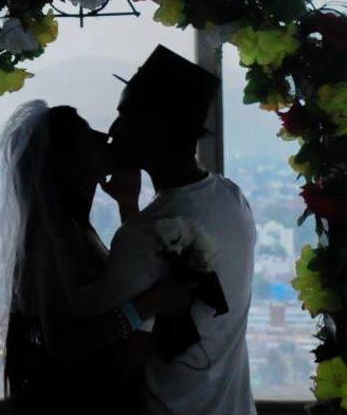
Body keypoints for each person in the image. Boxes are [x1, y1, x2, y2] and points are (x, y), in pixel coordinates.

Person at [0, 100, 200, 415]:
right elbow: (65, 342)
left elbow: (122, 282)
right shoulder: (53, 240)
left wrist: (128, 205)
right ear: (67, 163)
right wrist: (151, 304)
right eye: (86, 134)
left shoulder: (75, 230)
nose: (102, 137)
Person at [98, 45, 258, 415]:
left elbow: (121, 364)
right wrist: (129, 207)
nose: (113, 130)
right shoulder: (233, 202)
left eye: (125, 117)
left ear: (157, 129)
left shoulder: (140, 235)